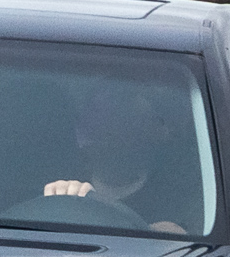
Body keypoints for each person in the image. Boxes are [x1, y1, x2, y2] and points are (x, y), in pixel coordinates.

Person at [43, 85, 185, 233]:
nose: (105, 135)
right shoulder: (53, 182)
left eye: (124, 122)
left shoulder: (180, 199)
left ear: (154, 133)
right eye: (97, 122)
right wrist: (58, 201)